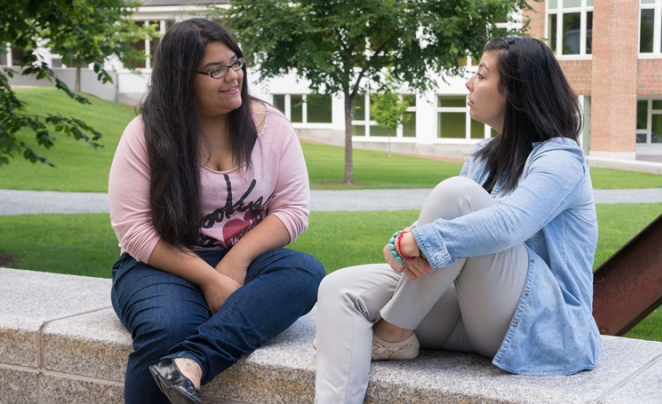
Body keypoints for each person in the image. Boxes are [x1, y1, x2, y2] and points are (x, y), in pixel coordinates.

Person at [314, 36, 601, 403]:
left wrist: (421, 241)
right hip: (471, 314)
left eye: (480, 76)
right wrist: (405, 243)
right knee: (338, 288)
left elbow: (509, 224)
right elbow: (443, 235)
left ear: (514, 91)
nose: (468, 84)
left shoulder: (561, 159)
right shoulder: (483, 157)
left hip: (540, 326)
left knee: (457, 195)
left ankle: (392, 333)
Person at [108, 18, 325, 404]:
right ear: (181, 79)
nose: (233, 77)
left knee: (304, 273)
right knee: (170, 327)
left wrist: (235, 263)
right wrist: (209, 280)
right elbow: (134, 230)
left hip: (245, 259)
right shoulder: (145, 134)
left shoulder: (270, 127)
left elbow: (292, 209)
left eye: (236, 63)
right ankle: (185, 348)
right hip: (161, 264)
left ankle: (192, 362)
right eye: (215, 70)